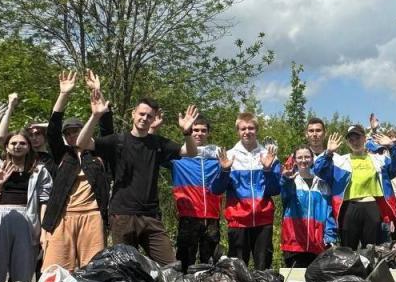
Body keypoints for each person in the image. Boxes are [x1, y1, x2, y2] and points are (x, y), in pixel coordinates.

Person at [76, 90, 198, 266]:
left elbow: (191, 153)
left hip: (151, 217)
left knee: (171, 267)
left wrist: (187, 133)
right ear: (133, 113)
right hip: (122, 215)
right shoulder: (117, 141)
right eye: (141, 114)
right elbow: (81, 143)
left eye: (149, 116)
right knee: (126, 270)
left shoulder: (158, 143)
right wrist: (95, 116)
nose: (144, 118)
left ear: (153, 119)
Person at [41, 70, 113, 271]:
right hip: (62, 216)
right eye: (69, 132)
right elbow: (52, 129)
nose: (73, 135)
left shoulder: (98, 153)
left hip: (93, 216)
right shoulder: (62, 155)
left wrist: (97, 91)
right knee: (54, 270)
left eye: (77, 131)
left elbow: (108, 129)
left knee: (92, 271)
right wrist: (64, 94)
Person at [316, 125, 396, 248]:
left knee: (371, 250)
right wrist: (328, 153)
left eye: (357, 138)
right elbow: (319, 170)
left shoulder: (378, 160)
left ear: (364, 138)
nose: (355, 142)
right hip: (349, 208)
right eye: (351, 139)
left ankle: (370, 267)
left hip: (372, 207)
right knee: (348, 250)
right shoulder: (340, 161)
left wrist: (391, 146)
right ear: (347, 142)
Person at [210, 112, 281, 269]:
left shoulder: (269, 156)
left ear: (257, 129)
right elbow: (216, 190)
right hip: (238, 222)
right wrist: (225, 171)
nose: (247, 132)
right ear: (238, 131)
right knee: (237, 271)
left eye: (251, 128)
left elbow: (275, 190)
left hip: (263, 221)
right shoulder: (228, 156)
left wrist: (268, 170)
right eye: (243, 128)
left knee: (263, 270)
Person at [0, 128, 52, 282]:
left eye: (22, 143)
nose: (17, 146)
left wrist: (43, 230)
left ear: (29, 146)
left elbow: (44, 201)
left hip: (27, 218)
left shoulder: (39, 170)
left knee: (23, 271)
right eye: (13, 143)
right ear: (6, 146)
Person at [171, 115, 223, 270]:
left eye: (203, 130)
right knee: (185, 261)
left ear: (208, 133)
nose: (199, 133)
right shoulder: (178, 157)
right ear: (189, 131)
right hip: (188, 217)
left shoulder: (218, 157)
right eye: (195, 130)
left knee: (210, 263)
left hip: (212, 219)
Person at [280, 146, 337, 267]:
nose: (303, 160)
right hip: (294, 244)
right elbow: (285, 195)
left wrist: (330, 236)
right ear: (295, 160)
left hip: (318, 245)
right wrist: (286, 179)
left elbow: (329, 212)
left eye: (307, 157)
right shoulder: (291, 181)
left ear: (312, 160)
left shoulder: (322, 184)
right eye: (299, 157)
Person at [0, 92, 57, 177]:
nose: (34, 138)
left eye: (38, 134)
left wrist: (39, 125)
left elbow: (59, 128)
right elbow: (2, 136)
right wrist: (10, 106)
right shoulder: (22, 155)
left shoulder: (54, 155)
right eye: (30, 135)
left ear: (45, 135)